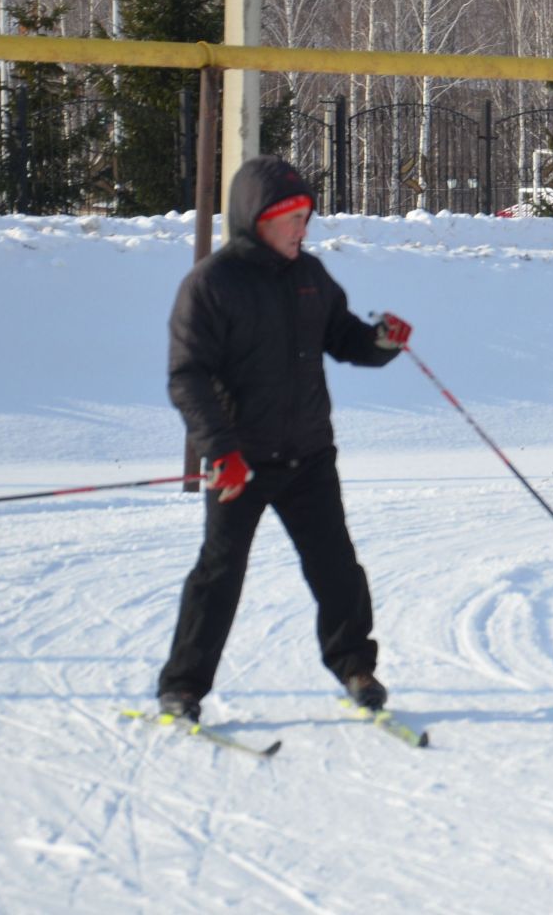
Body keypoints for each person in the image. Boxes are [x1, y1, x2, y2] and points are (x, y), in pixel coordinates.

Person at [157, 155, 412, 723]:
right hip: (239, 462)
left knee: (337, 569)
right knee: (218, 576)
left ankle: (355, 668)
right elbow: (187, 376)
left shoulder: (310, 276)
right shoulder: (211, 285)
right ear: (256, 220)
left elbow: (345, 338)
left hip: (309, 456)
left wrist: (382, 342)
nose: (302, 229)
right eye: (290, 218)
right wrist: (218, 451)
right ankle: (182, 688)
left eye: (305, 217)